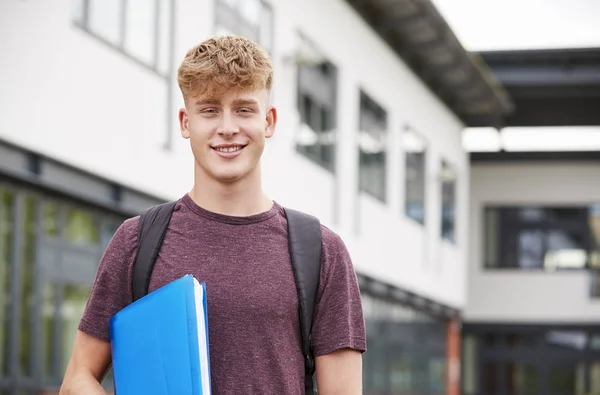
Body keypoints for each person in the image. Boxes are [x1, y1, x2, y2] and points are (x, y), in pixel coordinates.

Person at [59, 35, 366, 395]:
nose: (227, 128)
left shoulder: (321, 252)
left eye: (244, 109)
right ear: (185, 122)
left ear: (268, 121)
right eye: (209, 110)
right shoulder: (137, 241)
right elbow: (78, 378)